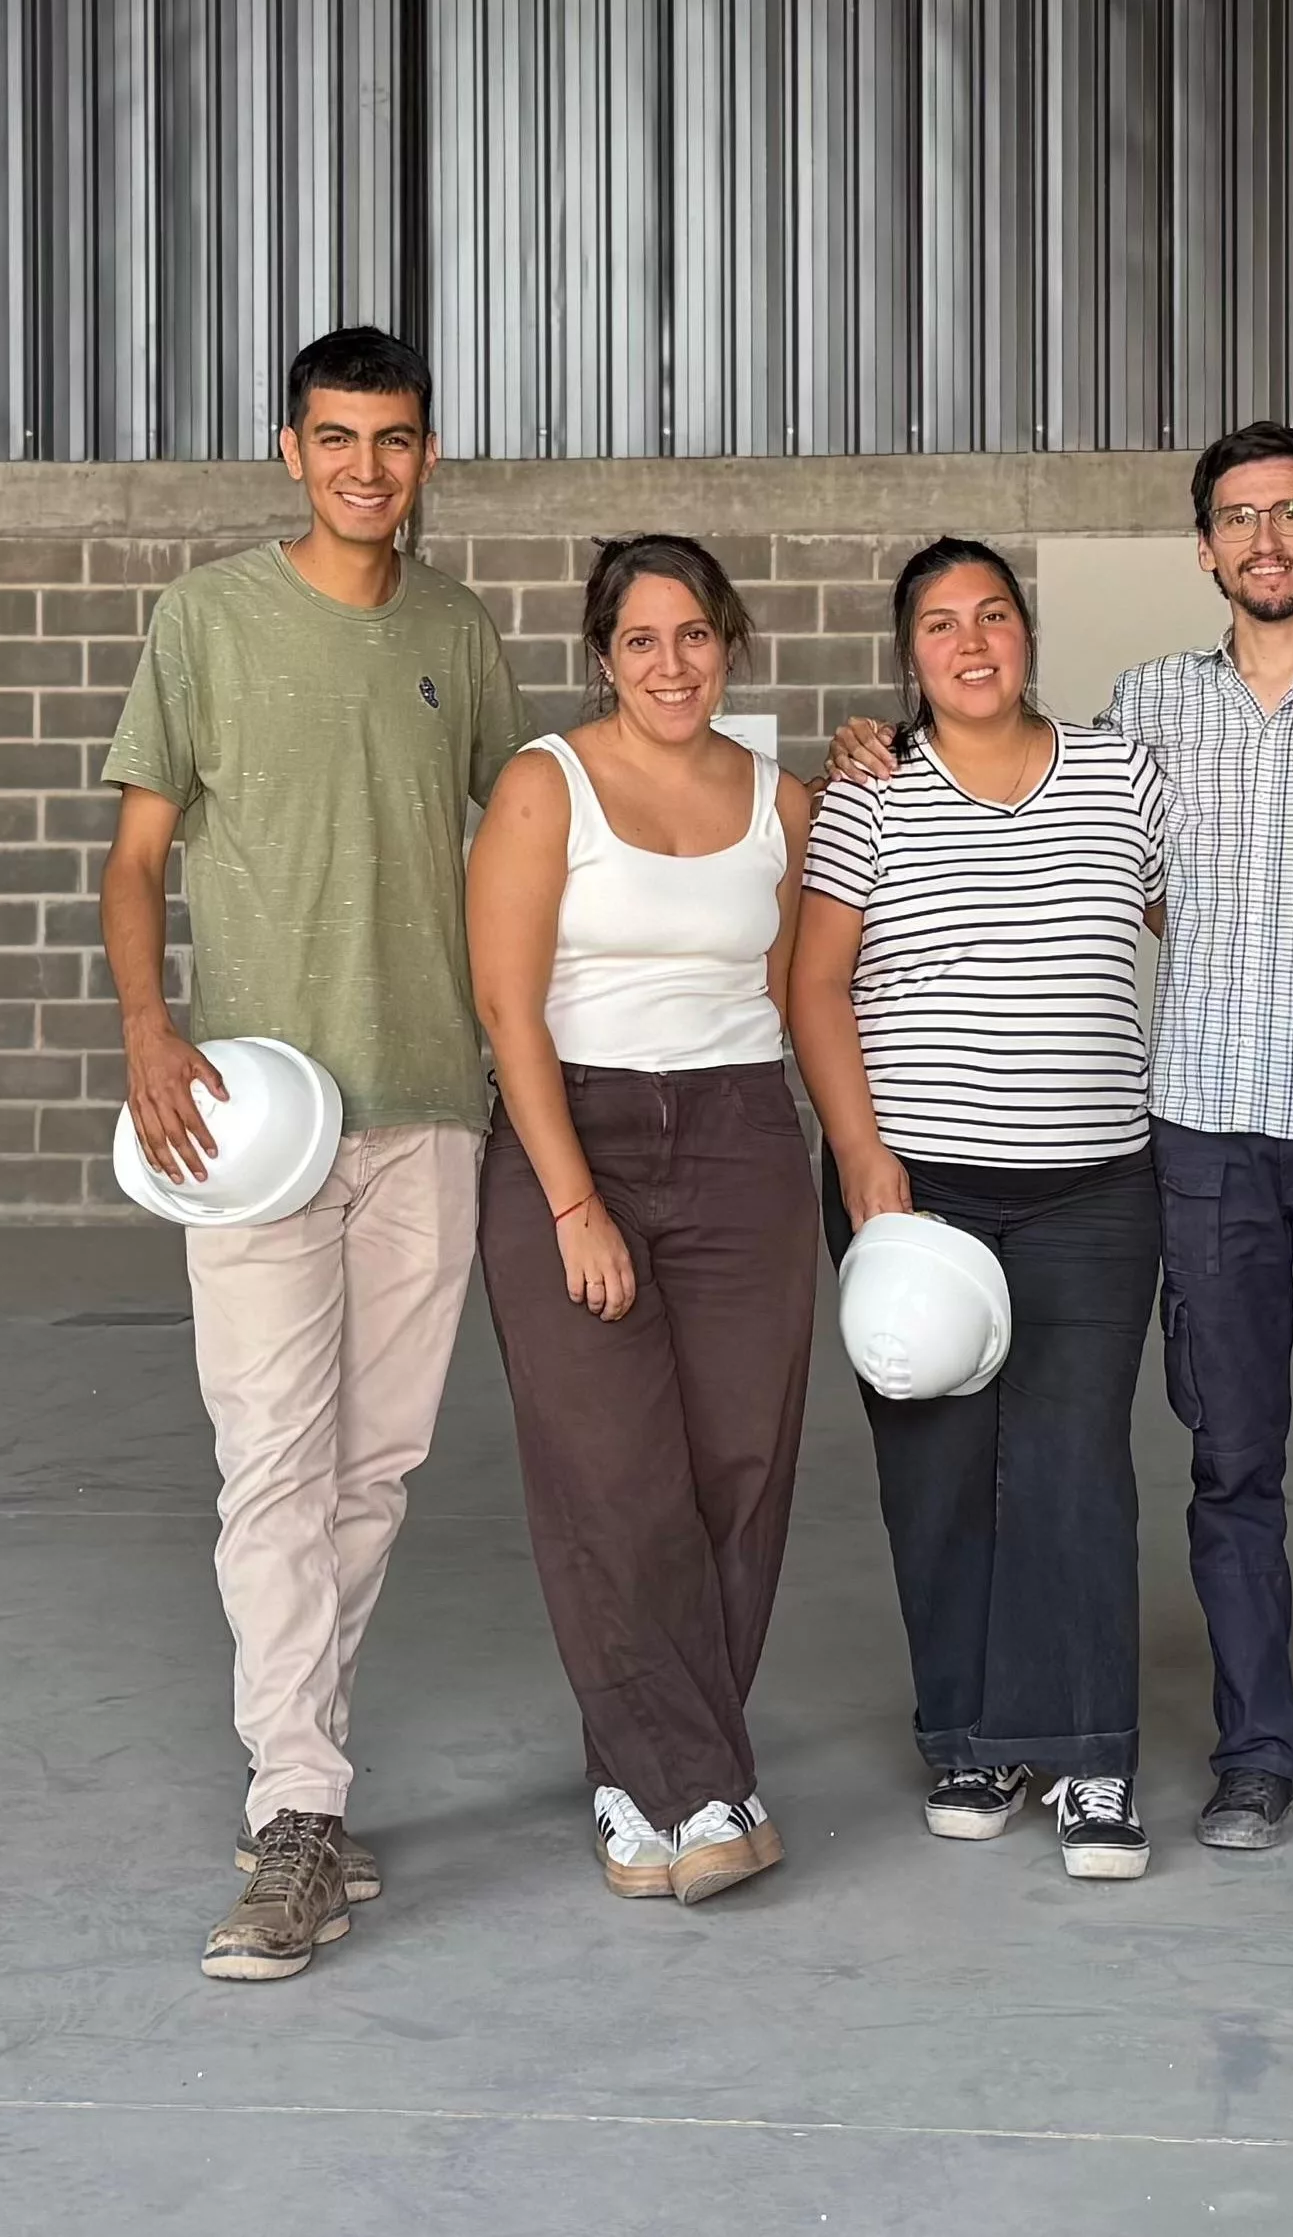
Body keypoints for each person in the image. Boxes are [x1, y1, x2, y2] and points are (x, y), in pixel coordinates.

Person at [829, 423, 1293, 1861]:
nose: (1265, 539)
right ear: (1204, 548)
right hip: (1204, 1138)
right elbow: (1033, 802)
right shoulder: (1146, 711)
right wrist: (882, 742)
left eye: (1291, 513)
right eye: (1237, 517)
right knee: (1230, 1463)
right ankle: (1252, 1756)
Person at [100, 327, 531, 1982]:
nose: (367, 466)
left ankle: (304, 1779)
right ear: (291, 449)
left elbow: (538, 830)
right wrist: (152, 1030)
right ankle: (295, 1806)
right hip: (256, 1120)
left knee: (375, 1467)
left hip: (432, 1107)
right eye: (338, 438)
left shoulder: (458, 633)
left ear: (428, 454)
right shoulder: (204, 620)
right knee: (272, 1464)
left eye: (395, 438)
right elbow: (136, 856)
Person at [788, 537, 1171, 1883]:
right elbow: (814, 985)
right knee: (938, 1474)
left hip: (1096, 1189)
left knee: (1077, 1470)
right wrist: (861, 1159)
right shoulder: (870, 797)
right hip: (920, 1194)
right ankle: (968, 1736)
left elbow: (1206, 928)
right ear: (910, 655)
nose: (971, 641)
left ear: (1027, 635)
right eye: (941, 623)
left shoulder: (1124, 777)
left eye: (993, 615)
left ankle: (1089, 1748)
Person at [467, 535, 820, 1906]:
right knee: (613, 1477)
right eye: (640, 641)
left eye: (694, 636)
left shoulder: (781, 803)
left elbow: (790, 993)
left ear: (728, 642)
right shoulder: (544, 785)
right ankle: (685, 1787)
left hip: (741, 1138)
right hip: (577, 1131)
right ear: (603, 656)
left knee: (740, 1467)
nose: (671, 665)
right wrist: (573, 1201)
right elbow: (507, 1009)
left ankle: (661, 1774)